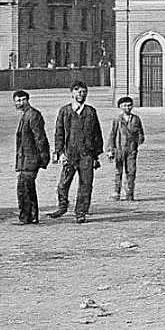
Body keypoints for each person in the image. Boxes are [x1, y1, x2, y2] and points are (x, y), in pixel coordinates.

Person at [49, 81, 103, 223]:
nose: (81, 94)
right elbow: (59, 133)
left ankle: (81, 212)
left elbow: (97, 134)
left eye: (84, 92)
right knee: (63, 184)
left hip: (86, 155)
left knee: (86, 185)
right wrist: (59, 152)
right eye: (78, 91)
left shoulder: (91, 112)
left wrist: (96, 156)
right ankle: (62, 207)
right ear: (72, 93)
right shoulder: (64, 111)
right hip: (69, 154)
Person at [12, 89, 50, 225]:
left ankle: (29, 217)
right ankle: (29, 216)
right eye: (18, 100)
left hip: (31, 159)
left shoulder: (33, 115)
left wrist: (43, 157)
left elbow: (40, 138)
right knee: (25, 187)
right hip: (25, 159)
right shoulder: (26, 115)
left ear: (28, 100)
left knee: (26, 188)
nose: (20, 103)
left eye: (23, 100)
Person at [106, 96, 145, 201]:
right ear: (120, 106)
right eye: (124, 105)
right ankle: (116, 192)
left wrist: (139, 139)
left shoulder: (136, 119)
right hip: (119, 149)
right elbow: (112, 135)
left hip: (131, 150)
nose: (127, 108)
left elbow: (141, 133)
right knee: (118, 172)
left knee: (131, 171)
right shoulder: (117, 120)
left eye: (129, 105)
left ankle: (129, 193)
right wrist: (110, 150)